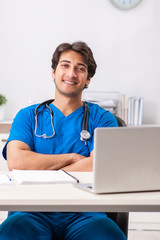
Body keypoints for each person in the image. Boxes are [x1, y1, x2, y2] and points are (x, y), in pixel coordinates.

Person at [0, 41, 126, 240]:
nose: (71, 73)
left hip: (87, 213)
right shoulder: (27, 116)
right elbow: (17, 162)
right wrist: (73, 158)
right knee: (10, 233)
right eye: (65, 65)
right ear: (53, 72)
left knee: (108, 236)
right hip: (31, 211)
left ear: (88, 79)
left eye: (80, 68)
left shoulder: (102, 118)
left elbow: (101, 165)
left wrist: (41, 168)